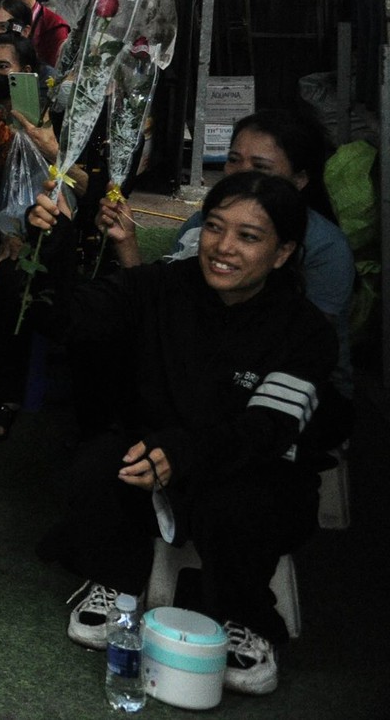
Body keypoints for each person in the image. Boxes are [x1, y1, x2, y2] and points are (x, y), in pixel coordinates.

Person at [33, 172, 335, 696]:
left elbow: (266, 430)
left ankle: (246, 616)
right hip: (153, 459)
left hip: (244, 471)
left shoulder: (305, 331)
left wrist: (183, 452)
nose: (222, 247)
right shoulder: (160, 286)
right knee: (101, 459)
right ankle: (117, 580)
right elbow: (67, 320)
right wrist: (53, 239)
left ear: (283, 252)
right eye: (215, 227)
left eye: (249, 236)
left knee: (246, 499)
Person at [106, 109, 356, 396]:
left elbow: (302, 351)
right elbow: (160, 307)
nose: (224, 246)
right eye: (234, 160)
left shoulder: (325, 248)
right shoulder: (201, 223)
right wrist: (126, 243)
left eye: (260, 167)